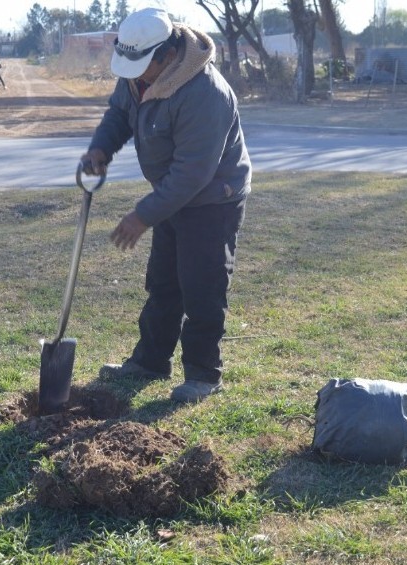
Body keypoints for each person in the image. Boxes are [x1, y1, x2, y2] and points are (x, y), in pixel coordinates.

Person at [81, 7, 252, 403]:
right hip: (172, 194)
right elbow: (120, 113)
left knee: (202, 286)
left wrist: (142, 215)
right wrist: (101, 147)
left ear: (168, 54)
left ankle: (203, 374)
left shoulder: (205, 94)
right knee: (163, 282)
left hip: (212, 198)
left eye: (141, 67)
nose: (133, 75)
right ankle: (150, 361)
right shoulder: (139, 75)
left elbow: (193, 174)